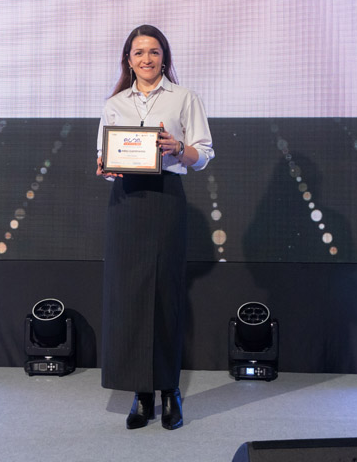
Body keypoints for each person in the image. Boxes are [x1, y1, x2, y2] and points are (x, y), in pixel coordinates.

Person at [96, 25, 214, 430]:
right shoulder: (114, 104)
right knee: (128, 298)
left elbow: (204, 154)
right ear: (128, 60)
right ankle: (141, 395)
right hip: (126, 202)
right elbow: (104, 156)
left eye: (154, 51)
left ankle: (169, 392)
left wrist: (178, 148)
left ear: (164, 58)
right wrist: (105, 166)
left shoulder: (185, 98)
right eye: (138, 52)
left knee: (165, 297)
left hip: (166, 198)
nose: (146, 59)